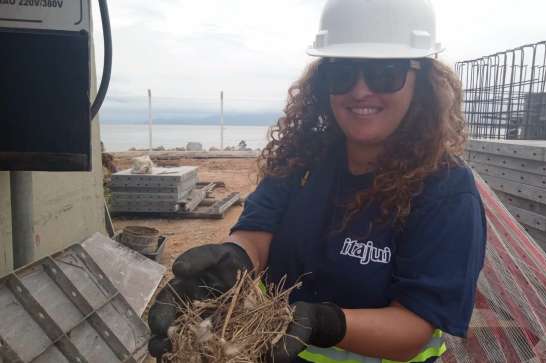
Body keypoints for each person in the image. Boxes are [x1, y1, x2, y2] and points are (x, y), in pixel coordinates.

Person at [147, 0, 487, 361]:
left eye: (385, 73)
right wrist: (235, 257)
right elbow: (257, 230)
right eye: (341, 74)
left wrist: (327, 324)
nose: (359, 91)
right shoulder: (302, 159)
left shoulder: (446, 191)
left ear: (421, 84)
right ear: (323, 83)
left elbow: (413, 329)